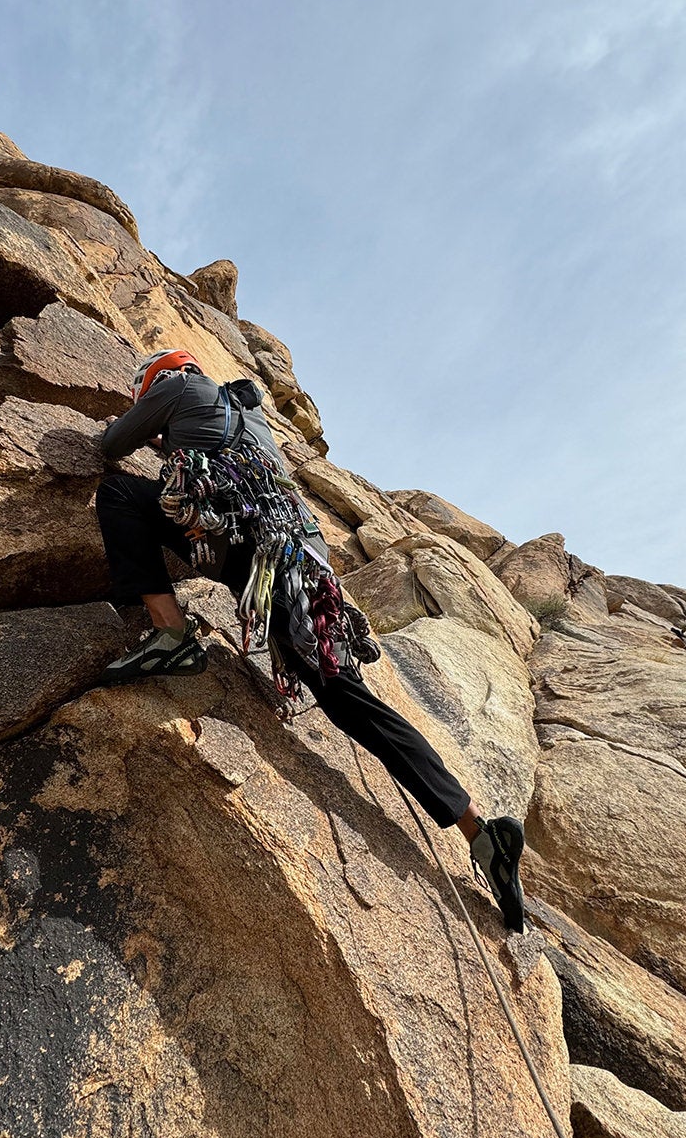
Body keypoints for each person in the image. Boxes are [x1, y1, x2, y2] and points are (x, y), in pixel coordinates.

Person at [95, 348, 528, 932]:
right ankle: (483, 831)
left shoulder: (174, 390)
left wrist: (149, 429)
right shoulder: (250, 417)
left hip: (248, 547)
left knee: (120, 495)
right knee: (351, 703)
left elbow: (110, 445)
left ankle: (172, 635)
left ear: (159, 378)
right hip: (301, 565)